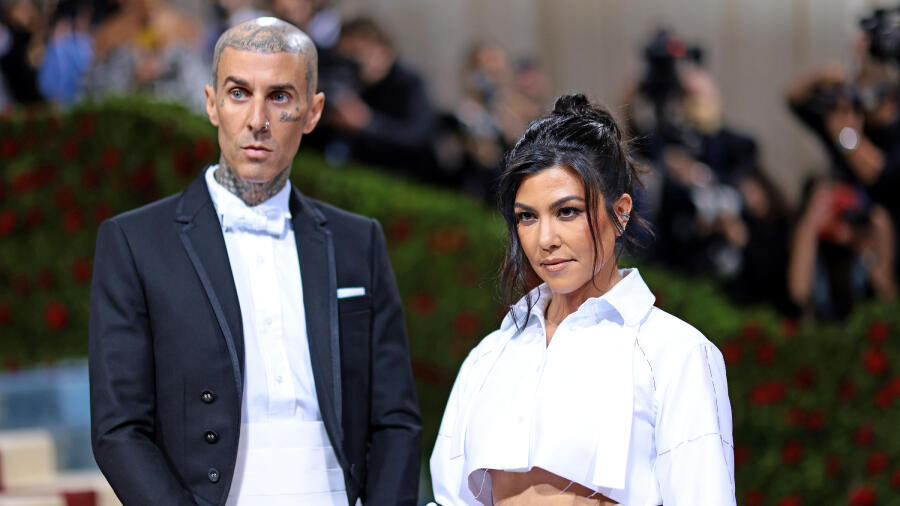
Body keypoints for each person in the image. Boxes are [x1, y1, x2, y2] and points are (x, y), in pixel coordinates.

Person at [89, 17, 421, 506]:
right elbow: (119, 429)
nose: (257, 120)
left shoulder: (358, 241)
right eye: (239, 93)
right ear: (211, 103)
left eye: (280, 96)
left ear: (313, 112)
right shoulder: (136, 242)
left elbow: (396, 419)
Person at [430, 94, 736, 505]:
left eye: (567, 212)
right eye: (527, 216)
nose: (545, 239)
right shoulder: (489, 357)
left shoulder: (676, 354)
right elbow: (450, 498)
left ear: (621, 212)